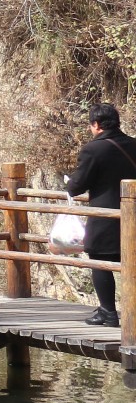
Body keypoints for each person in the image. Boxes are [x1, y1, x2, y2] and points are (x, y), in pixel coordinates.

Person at [61, 103, 136, 326]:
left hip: (106, 216)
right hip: (132, 215)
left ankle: (108, 312)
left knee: (99, 259)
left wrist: (70, 183)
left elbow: (77, 186)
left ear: (96, 125)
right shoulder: (133, 145)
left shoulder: (93, 150)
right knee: (130, 259)